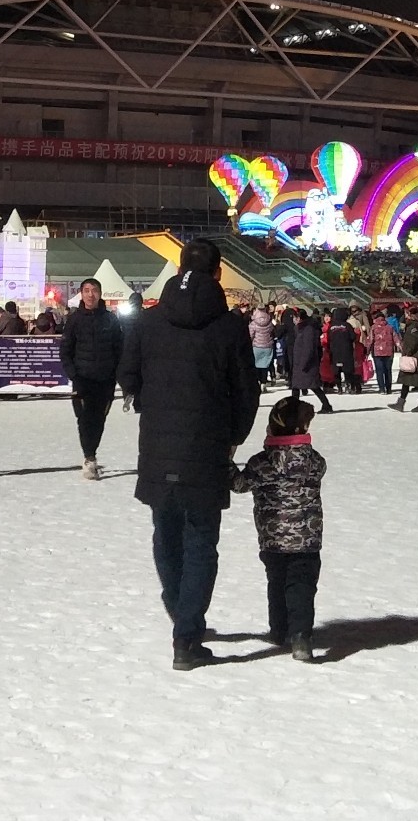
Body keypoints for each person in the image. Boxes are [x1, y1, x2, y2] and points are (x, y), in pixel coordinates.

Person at [117, 238, 258, 670]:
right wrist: (233, 434)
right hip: (207, 444)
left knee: (166, 531)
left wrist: (149, 405)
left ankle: (179, 606)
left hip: (159, 444)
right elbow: (246, 389)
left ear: (179, 269)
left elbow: (128, 374)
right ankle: (187, 633)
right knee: (200, 540)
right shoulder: (230, 326)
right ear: (218, 273)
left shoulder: (149, 322)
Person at [231, 395, 327, 663]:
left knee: (277, 582)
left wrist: (226, 461)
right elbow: (321, 469)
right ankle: (301, 636)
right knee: (303, 587)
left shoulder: (263, 462)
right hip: (308, 539)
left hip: (272, 539)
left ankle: (279, 629)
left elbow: (239, 484)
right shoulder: (314, 460)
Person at [59, 277, 124, 479]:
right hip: (82, 378)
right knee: (84, 419)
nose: (90, 294)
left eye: (94, 290)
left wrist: (117, 373)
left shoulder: (110, 319)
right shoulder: (74, 320)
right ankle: (89, 457)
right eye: (86, 290)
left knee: (99, 420)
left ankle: (92, 453)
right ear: (81, 294)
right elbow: (65, 350)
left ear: (100, 293)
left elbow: (120, 348)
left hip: (105, 379)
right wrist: (73, 373)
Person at [283, 308, 334, 413]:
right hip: (299, 362)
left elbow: (308, 348)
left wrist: (304, 363)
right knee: (296, 387)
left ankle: (326, 405)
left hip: (307, 363)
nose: (294, 320)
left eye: (295, 318)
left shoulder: (308, 329)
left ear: (300, 318)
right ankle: (294, 409)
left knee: (313, 386)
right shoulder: (299, 328)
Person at [393, 311, 418, 413]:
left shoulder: (413, 327)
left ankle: (402, 403)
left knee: (411, 380)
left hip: (414, 358)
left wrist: (407, 353)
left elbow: (413, 342)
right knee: (414, 381)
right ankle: (409, 403)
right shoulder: (417, 325)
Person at [324, 307, 361, 394]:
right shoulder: (347, 326)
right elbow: (353, 337)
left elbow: (328, 339)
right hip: (346, 351)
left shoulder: (331, 327)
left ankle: (339, 388)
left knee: (336, 371)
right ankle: (349, 386)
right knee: (347, 370)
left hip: (335, 352)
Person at [367, 309, 398, 398]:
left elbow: (370, 340)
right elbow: (396, 338)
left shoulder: (373, 327)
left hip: (377, 352)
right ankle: (388, 388)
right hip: (389, 351)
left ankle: (382, 388)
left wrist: (367, 351)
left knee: (379, 370)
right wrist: (402, 348)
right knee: (388, 370)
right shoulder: (390, 327)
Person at [249, 305, 277, 387]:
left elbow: (250, 335)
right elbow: (273, 332)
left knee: (257, 364)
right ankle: (264, 382)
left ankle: (258, 380)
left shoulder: (253, 323)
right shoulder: (269, 321)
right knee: (265, 364)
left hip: (256, 346)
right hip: (268, 345)